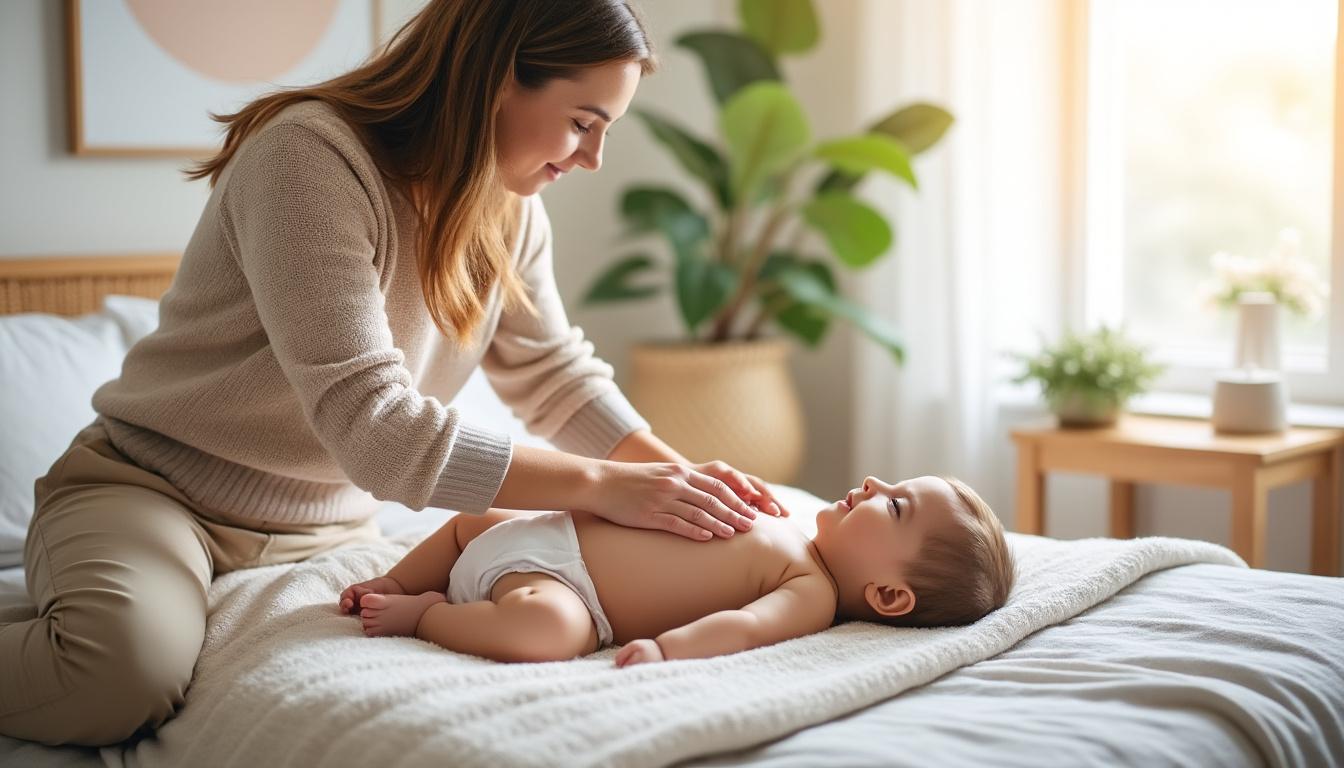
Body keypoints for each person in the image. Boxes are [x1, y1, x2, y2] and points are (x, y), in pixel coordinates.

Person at [0, 0, 792, 747]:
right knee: (115, 679)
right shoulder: (307, 155)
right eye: (583, 123)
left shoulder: (509, 209)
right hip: (156, 493)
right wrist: (606, 486)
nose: (590, 158)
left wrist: (693, 487)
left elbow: (557, 377)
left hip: (333, 528)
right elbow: (375, 428)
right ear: (494, 78)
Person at [342, 475, 1017, 664]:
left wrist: (668, 649)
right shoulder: (790, 525)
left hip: (560, 590)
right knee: (468, 522)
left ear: (889, 595)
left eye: (896, 506)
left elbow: (744, 630)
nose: (873, 482)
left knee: (551, 633)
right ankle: (399, 578)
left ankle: (425, 613)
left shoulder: (809, 591)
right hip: (543, 532)